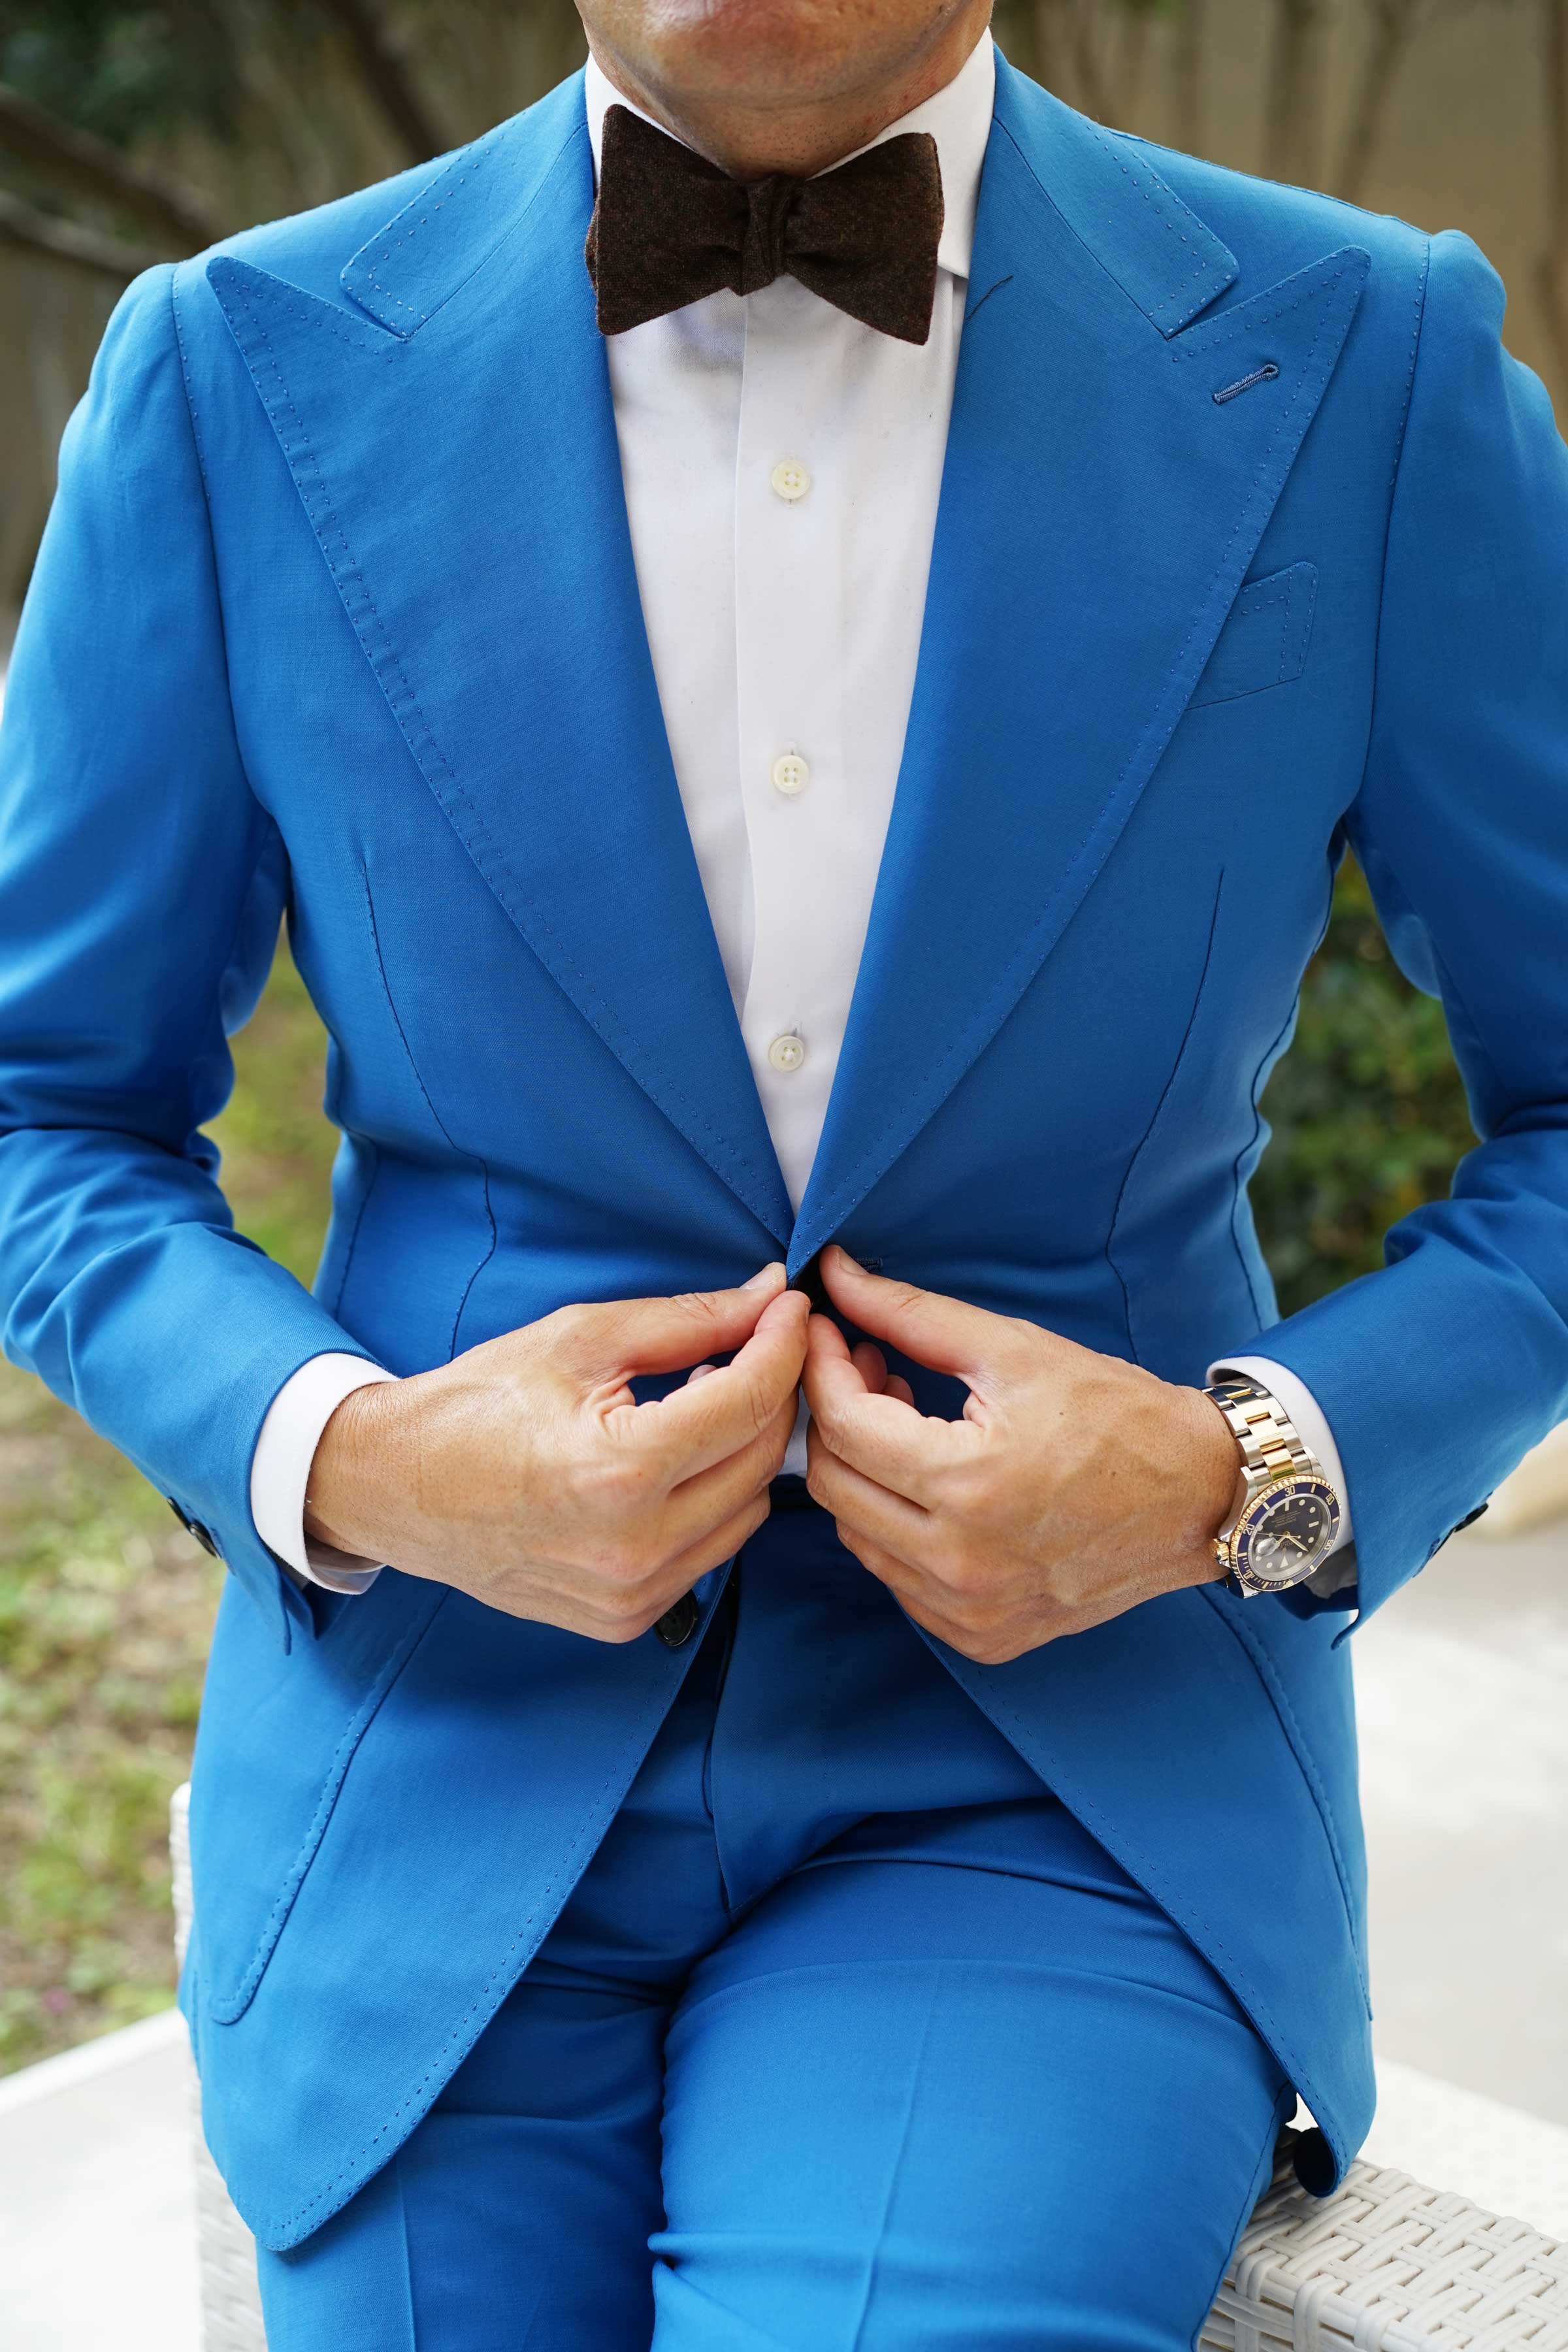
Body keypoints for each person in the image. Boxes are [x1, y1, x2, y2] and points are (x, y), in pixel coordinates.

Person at [1, 0, 1565, 2341]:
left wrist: (1239, 1473)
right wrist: (368, 1461)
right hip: (443, 1740)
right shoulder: (230, 369)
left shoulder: (1372, 359)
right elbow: (47, 1104)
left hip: (1056, 1765)